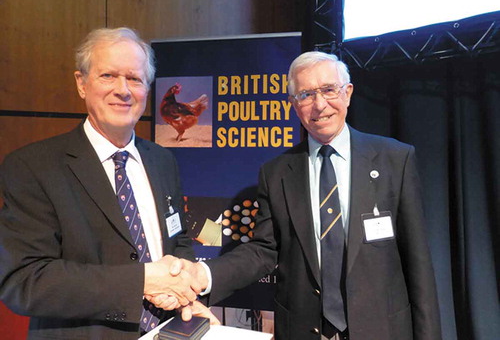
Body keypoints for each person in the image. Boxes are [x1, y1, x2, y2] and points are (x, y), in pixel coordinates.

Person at [152, 51, 442, 340]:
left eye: (329, 90)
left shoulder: (394, 160)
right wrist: (202, 276)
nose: (320, 105)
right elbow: (263, 251)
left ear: (348, 93)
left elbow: (418, 264)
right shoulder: (277, 173)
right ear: (293, 104)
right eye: (306, 95)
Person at [0, 27, 217, 340]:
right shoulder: (33, 167)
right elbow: (24, 281)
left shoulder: (163, 161)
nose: (123, 90)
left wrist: (186, 297)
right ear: (81, 84)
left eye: (134, 78)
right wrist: (142, 281)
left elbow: (177, 239)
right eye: (108, 76)